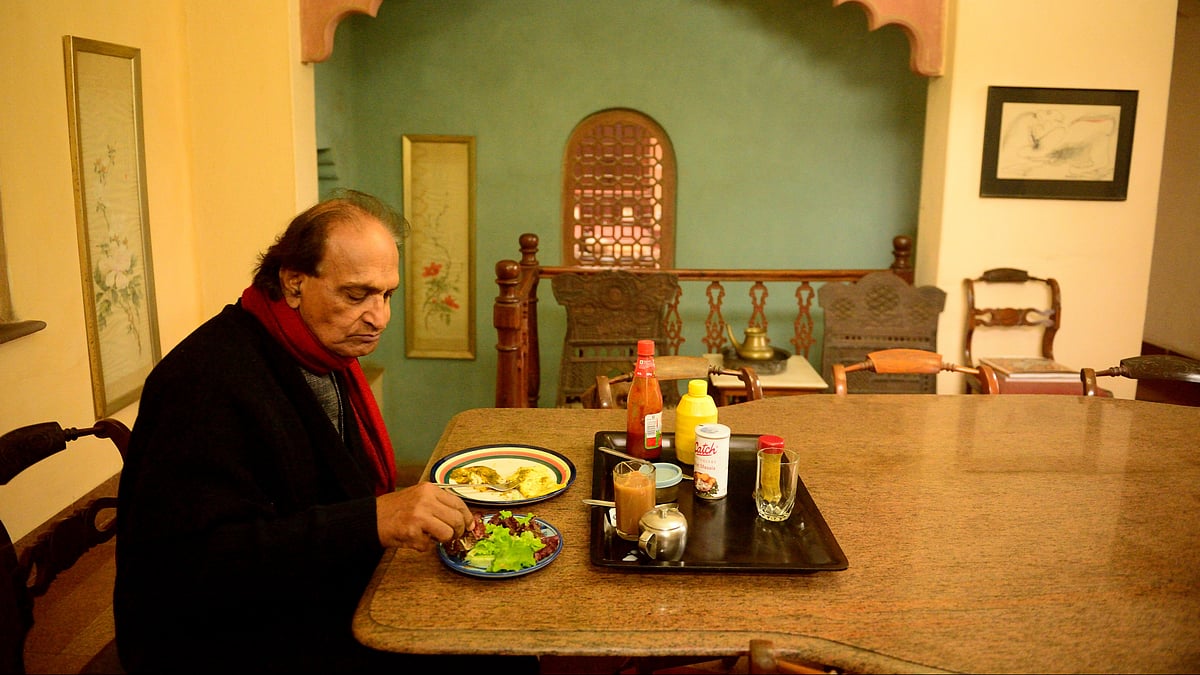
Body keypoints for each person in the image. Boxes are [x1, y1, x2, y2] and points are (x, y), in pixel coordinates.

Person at [114, 191, 524, 672]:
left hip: (298, 586)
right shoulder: (205, 380)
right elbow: (194, 563)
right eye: (356, 295)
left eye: (387, 294)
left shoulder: (316, 350)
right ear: (292, 282)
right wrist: (371, 520)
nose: (380, 317)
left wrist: (383, 517)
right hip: (227, 637)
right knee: (493, 651)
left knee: (495, 622)